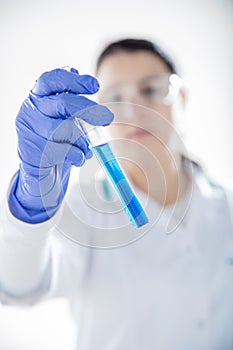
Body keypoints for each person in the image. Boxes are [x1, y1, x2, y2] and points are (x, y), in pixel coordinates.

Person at [0, 38, 233, 350]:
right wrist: (31, 205)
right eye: (115, 96)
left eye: (150, 90)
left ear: (182, 98)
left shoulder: (224, 208)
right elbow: (19, 287)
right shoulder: (83, 211)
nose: (134, 110)